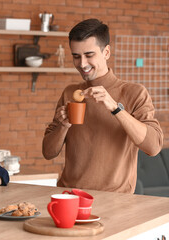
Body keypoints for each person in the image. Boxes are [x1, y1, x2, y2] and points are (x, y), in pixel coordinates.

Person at [42, 19, 163, 193]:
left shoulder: (134, 93)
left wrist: (115, 108)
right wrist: (63, 126)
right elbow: (48, 152)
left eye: (89, 55)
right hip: (69, 197)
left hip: (115, 202)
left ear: (106, 52)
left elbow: (153, 147)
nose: (82, 64)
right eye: (76, 56)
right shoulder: (70, 93)